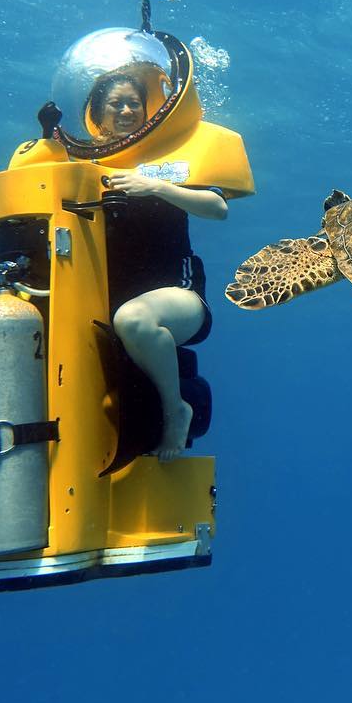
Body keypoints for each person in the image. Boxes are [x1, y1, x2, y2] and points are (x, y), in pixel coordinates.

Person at [86, 71, 227, 462]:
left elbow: (219, 209)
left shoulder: (163, 163)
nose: (128, 110)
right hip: (109, 299)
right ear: (98, 115)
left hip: (179, 297)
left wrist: (156, 187)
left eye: (135, 102)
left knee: (133, 319)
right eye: (117, 104)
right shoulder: (86, 168)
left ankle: (176, 409)